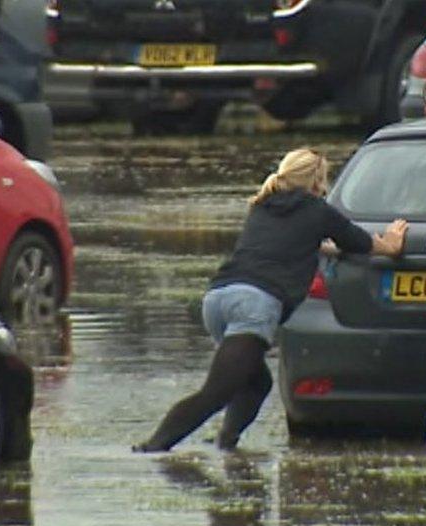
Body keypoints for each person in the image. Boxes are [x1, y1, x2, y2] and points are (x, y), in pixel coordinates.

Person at [134, 148, 408, 452]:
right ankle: (152, 448)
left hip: (217, 299)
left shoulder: (263, 206)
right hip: (255, 305)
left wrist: (321, 248)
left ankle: (226, 444)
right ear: (318, 180)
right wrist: (392, 244)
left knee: (256, 383)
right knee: (217, 393)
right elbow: (361, 243)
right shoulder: (319, 211)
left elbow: (287, 244)